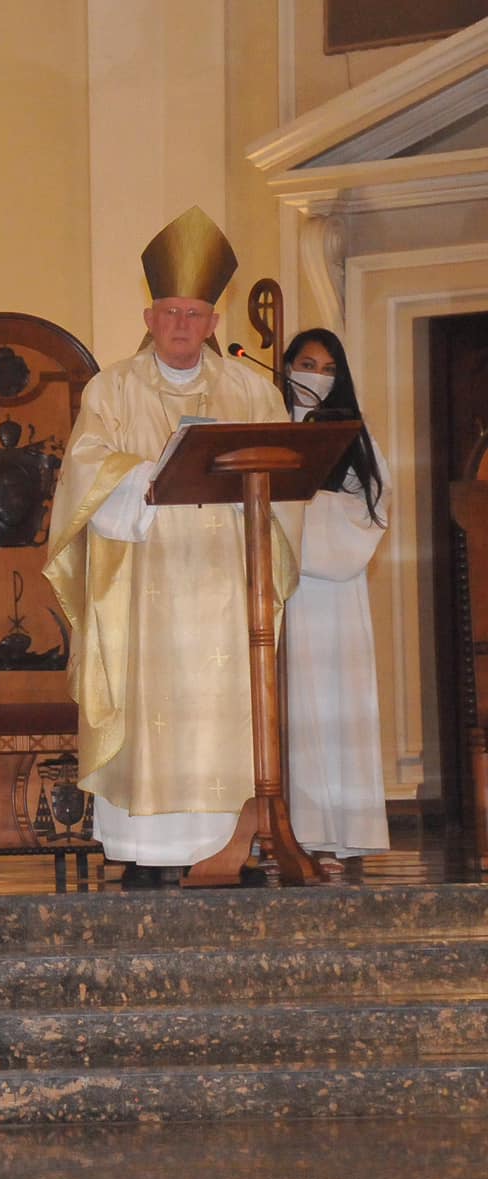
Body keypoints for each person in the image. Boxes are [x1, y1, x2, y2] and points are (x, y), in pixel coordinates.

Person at [42, 206, 295, 887]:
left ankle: (231, 848)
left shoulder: (253, 389)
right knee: (152, 711)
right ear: (150, 318)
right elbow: (86, 472)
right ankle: (150, 855)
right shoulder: (112, 389)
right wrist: (150, 474)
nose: (183, 326)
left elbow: (288, 483)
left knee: (225, 713)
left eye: (196, 315)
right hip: (146, 584)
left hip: (225, 580)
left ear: (215, 323)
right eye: (171, 313)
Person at [278, 326, 391, 865]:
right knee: (289, 708)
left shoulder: (353, 434)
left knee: (334, 707)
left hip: (338, 601)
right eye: (305, 364)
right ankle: (285, 829)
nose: (315, 378)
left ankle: (340, 829)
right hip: (281, 592)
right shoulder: (267, 426)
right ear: (285, 367)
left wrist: (303, 511)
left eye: (326, 369)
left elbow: (369, 510)